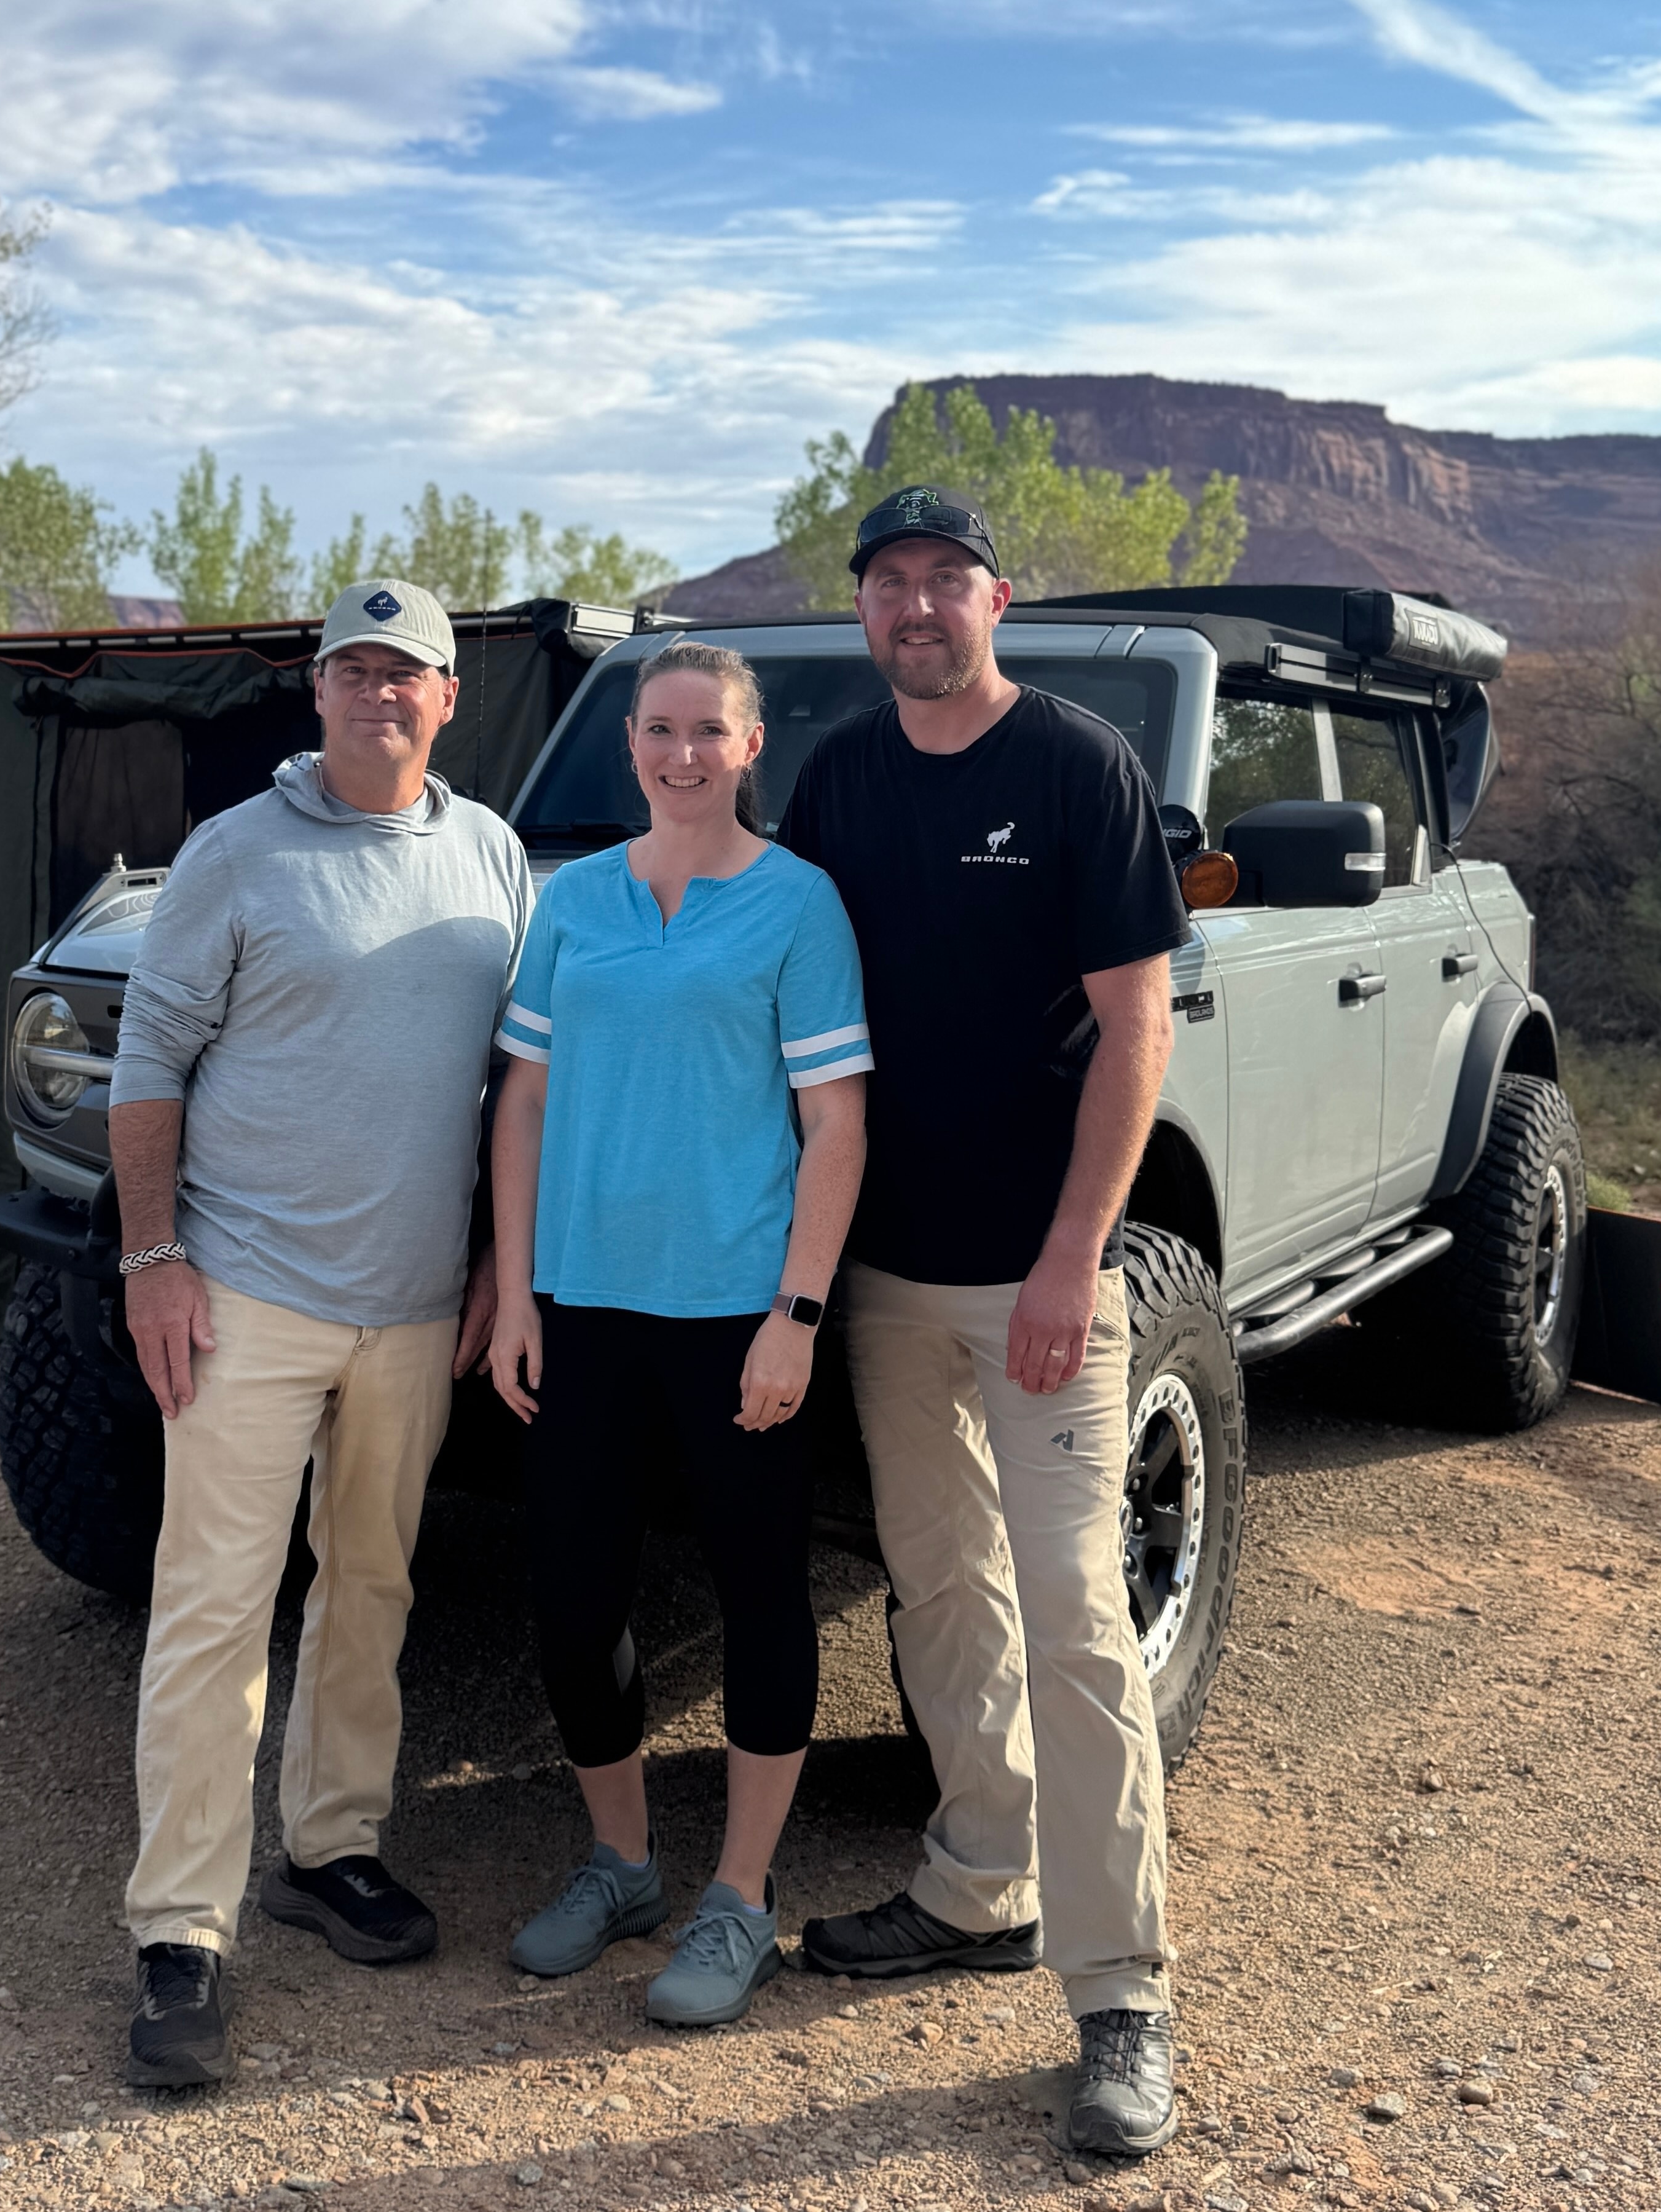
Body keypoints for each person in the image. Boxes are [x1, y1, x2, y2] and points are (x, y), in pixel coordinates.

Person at [778, 489, 1190, 2154]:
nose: (917, 607)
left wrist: (1071, 1256)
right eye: (888, 585)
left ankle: (1120, 2000)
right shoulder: (836, 781)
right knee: (940, 1594)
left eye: (945, 581)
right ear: (864, 616)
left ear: (993, 602)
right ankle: (975, 1884)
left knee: (1078, 1618)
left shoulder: (1076, 768)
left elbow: (1135, 1024)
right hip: (882, 1281)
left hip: (1038, 1283)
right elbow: (792, 1010)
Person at [106, 577, 532, 2088]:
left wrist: (500, 1260)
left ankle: (330, 1847)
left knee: (372, 1587)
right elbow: (148, 1061)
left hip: (414, 1304)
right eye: (353, 670)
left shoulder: (492, 855)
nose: (379, 694)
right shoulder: (236, 853)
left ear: (447, 697)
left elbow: (512, 1081)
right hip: (245, 1293)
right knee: (214, 1608)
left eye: (405, 672)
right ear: (318, 691)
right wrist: (152, 1257)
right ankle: (182, 1934)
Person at [486, 640, 870, 2028]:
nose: (683, 754)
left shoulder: (798, 905)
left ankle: (743, 1900)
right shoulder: (574, 900)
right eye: (660, 730)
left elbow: (837, 1124)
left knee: (760, 1593)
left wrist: (796, 1314)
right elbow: (520, 1102)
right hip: (581, 1307)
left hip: (733, 1315)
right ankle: (623, 1864)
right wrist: (515, 1290)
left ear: (752, 744)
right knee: (575, 1603)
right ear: (632, 744)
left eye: (711, 730)